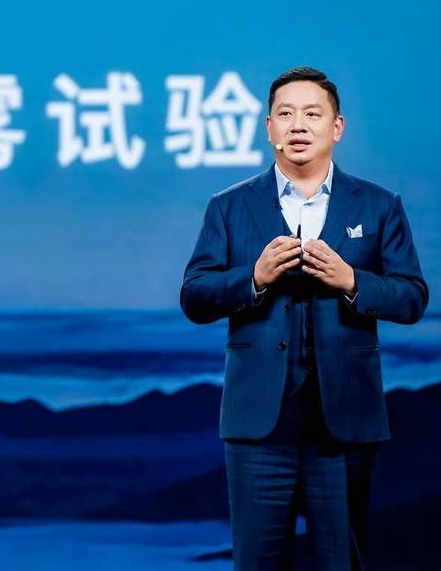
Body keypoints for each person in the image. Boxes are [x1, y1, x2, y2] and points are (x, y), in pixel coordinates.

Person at [179, 66, 428, 570]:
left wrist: (351, 281)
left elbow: (411, 297)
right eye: (286, 113)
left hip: (345, 421)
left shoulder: (379, 205)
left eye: (312, 114)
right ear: (268, 127)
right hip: (258, 425)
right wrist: (254, 277)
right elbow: (195, 296)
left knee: (342, 561)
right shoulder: (228, 207)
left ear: (337, 127)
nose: (298, 125)